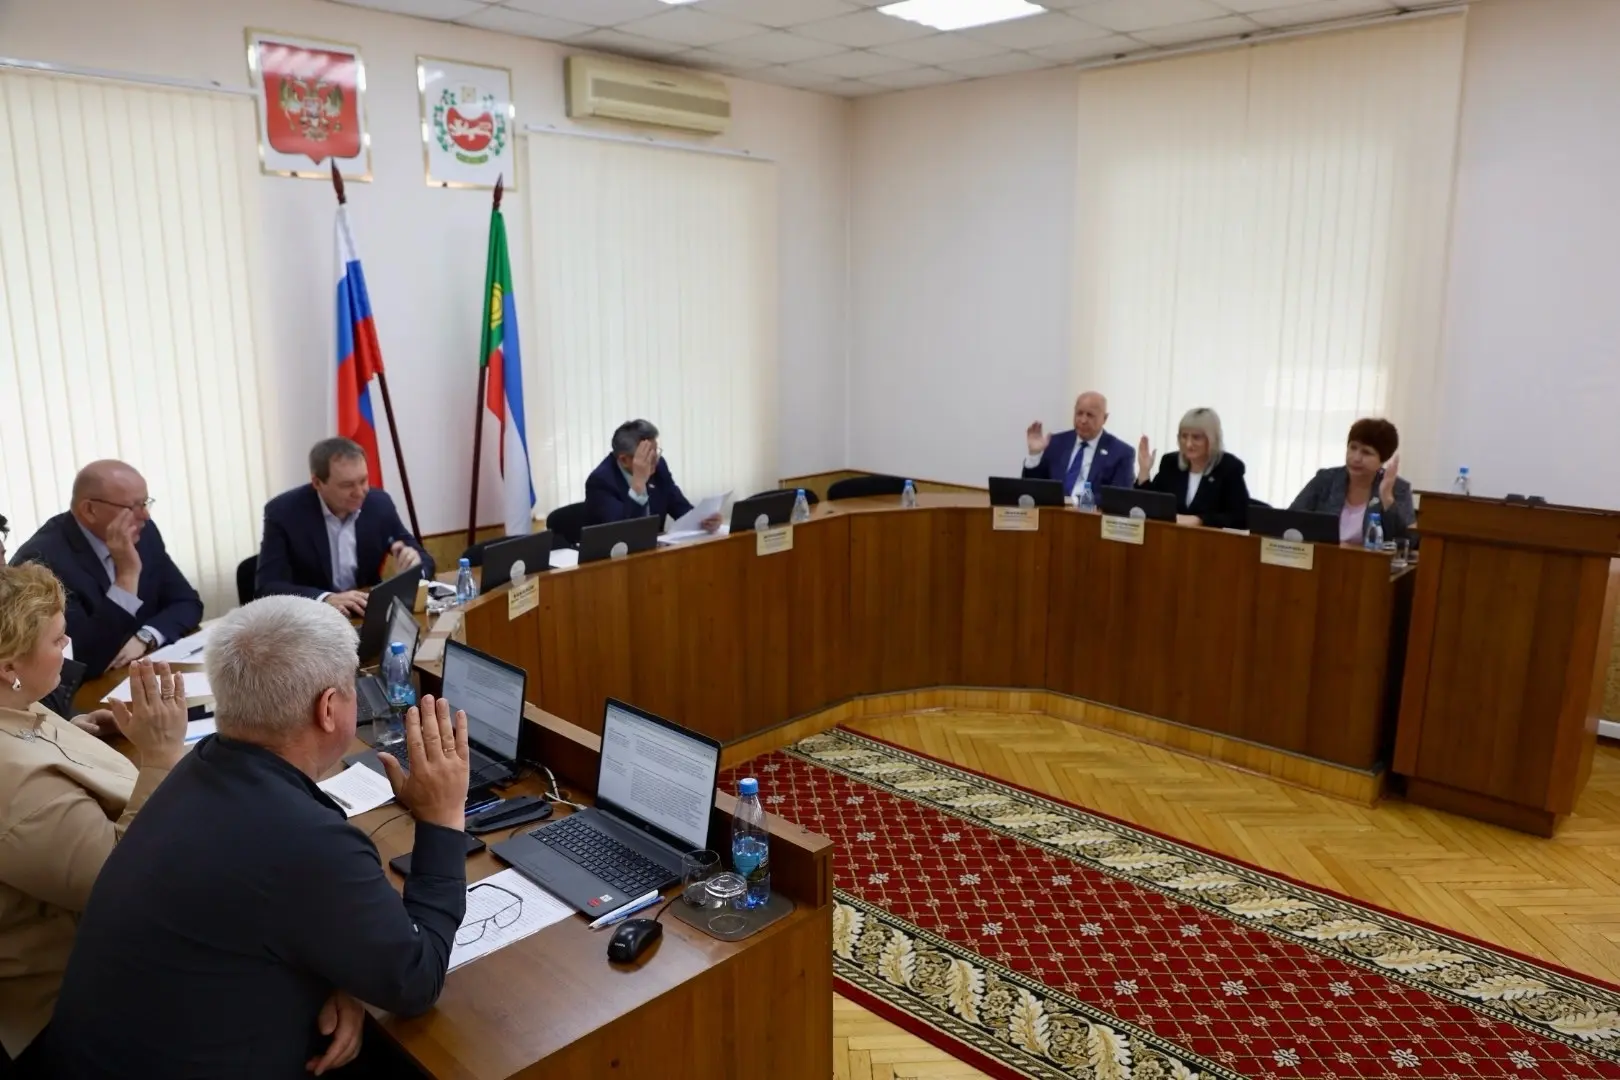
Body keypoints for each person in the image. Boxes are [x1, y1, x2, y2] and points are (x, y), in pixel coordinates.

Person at [40, 596, 470, 1078]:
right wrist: (442, 817)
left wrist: (340, 972)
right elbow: (415, 982)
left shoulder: (200, 765)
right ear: (329, 708)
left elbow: (257, 911)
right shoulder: (307, 842)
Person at [0, 564, 186, 1063]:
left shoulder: (15, 700)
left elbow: (29, 735)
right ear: (9, 667)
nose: (69, 645)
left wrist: (74, 732)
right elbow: (122, 884)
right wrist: (162, 755)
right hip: (86, 998)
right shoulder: (15, 787)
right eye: (57, 639)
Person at [7, 461, 203, 678]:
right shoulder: (41, 563)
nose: (145, 515)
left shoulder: (143, 533)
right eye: (133, 507)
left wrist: (145, 637)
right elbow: (81, 660)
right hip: (88, 691)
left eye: (145, 503)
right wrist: (127, 577)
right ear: (89, 510)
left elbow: (187, 602)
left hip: (142, 672)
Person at [256, 437, 434, 617]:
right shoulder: (284, 513)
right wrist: (325, 599)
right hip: (312, 619)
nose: (359, 492)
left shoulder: (378, 505)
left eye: (363, 480)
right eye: (347, 485)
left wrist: (414, 567)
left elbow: (425, 560)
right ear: (317, 483)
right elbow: (267, 587)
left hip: (364, 612)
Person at [1289, 418, 1414, 544]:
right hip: (1323, 554)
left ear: (1383, 459)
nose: (1356, 458)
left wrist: (1387, 498)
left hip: (1366, 557)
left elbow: (1410, 541)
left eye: (1366, 452)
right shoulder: (1326, 479)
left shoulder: (1397, 488)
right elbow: (1291, 519)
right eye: (1353, 448)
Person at [584, 419, 721, 531]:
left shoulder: (659, 467)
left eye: (656, 451)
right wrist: (638, 485)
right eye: (647, 455)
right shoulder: (600, 481)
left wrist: (704, 521)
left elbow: (681, 508)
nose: (655, 459)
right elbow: (623, 532)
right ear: (624, 460)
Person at [1135, 407, 1250, 529]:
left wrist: (1200, 520)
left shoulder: (1229, 468)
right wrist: (1144, 471)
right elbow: (1147, 507)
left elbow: (1240, 518)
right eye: (1184, 436)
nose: (1188, 444)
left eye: (1196, 437)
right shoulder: (1170, 463)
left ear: (1211, 439)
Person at [1022, 391, 1136, 496]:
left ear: (1104, 418)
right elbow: (1033, 489)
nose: (1083, 420)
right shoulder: (1056, 443)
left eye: (1090, 415)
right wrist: (1035, 455)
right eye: (1079, 413)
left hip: (1091, 511)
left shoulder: (1121, 453)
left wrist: (1078, 502)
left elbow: (1119, 497)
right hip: (1054, 510)